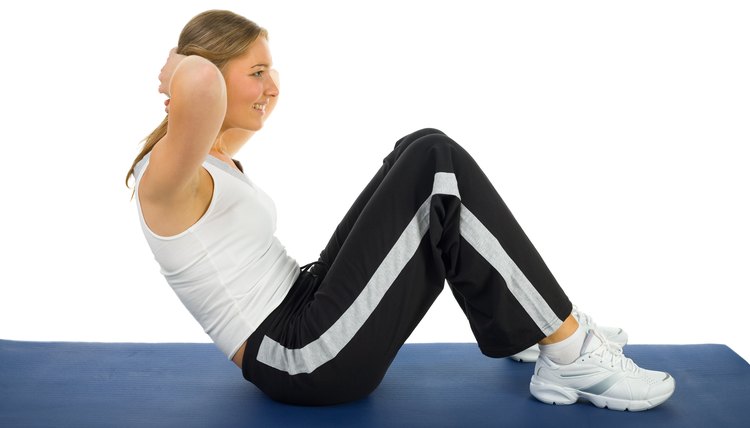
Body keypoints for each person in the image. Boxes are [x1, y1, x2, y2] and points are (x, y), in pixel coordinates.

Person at [125, 9, 675, 410]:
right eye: (257, 72)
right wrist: (183, 63)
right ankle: (569, 349)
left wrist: (210, 73)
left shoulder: (214, 158)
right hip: (299, 356)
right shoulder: (166, 179)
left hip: (307, 304)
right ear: (211, 75)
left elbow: (212, 102)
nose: (273, 86)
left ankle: (534, 324)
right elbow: (198, 85)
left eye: (272, 70)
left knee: (421, 145)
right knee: (437, 166)